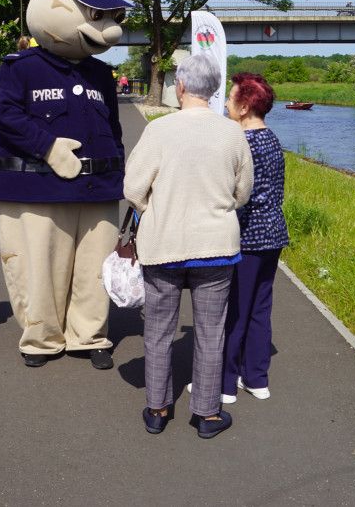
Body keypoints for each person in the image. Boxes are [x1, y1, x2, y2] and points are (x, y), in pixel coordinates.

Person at [0, 0, 129, 371]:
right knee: (38, 268)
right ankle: (42, 338)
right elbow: (6, 115)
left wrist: (125, 175)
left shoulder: (101, 75)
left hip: (99, 190)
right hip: (36, 189)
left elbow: (114, 131)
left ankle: (90, 334)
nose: (108, 31)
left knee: (95, 267)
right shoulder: (20, 68)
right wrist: (47, 146)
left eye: (110, 18)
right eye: (94, 14)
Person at [123, 54, 253, 439]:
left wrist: (154, 210)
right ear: (214, 90)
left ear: (179, 86)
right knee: (211, 332)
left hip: (164, 243)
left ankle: (158, 408)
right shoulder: (233, 133)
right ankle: (207, 414)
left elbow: (132, 189)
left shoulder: (160, 130)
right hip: (216, 245)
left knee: (159, 329)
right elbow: (242, 193)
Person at [221, 72, 289, 403]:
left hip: (247, 237)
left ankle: (224, 383)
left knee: (233, 309)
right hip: (273, 234)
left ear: (245, 107)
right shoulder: (272, 139)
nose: (225, 103)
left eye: (230, 99)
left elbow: (236, 195)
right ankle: (257, 378)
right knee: (260, 308)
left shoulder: (242, 143)